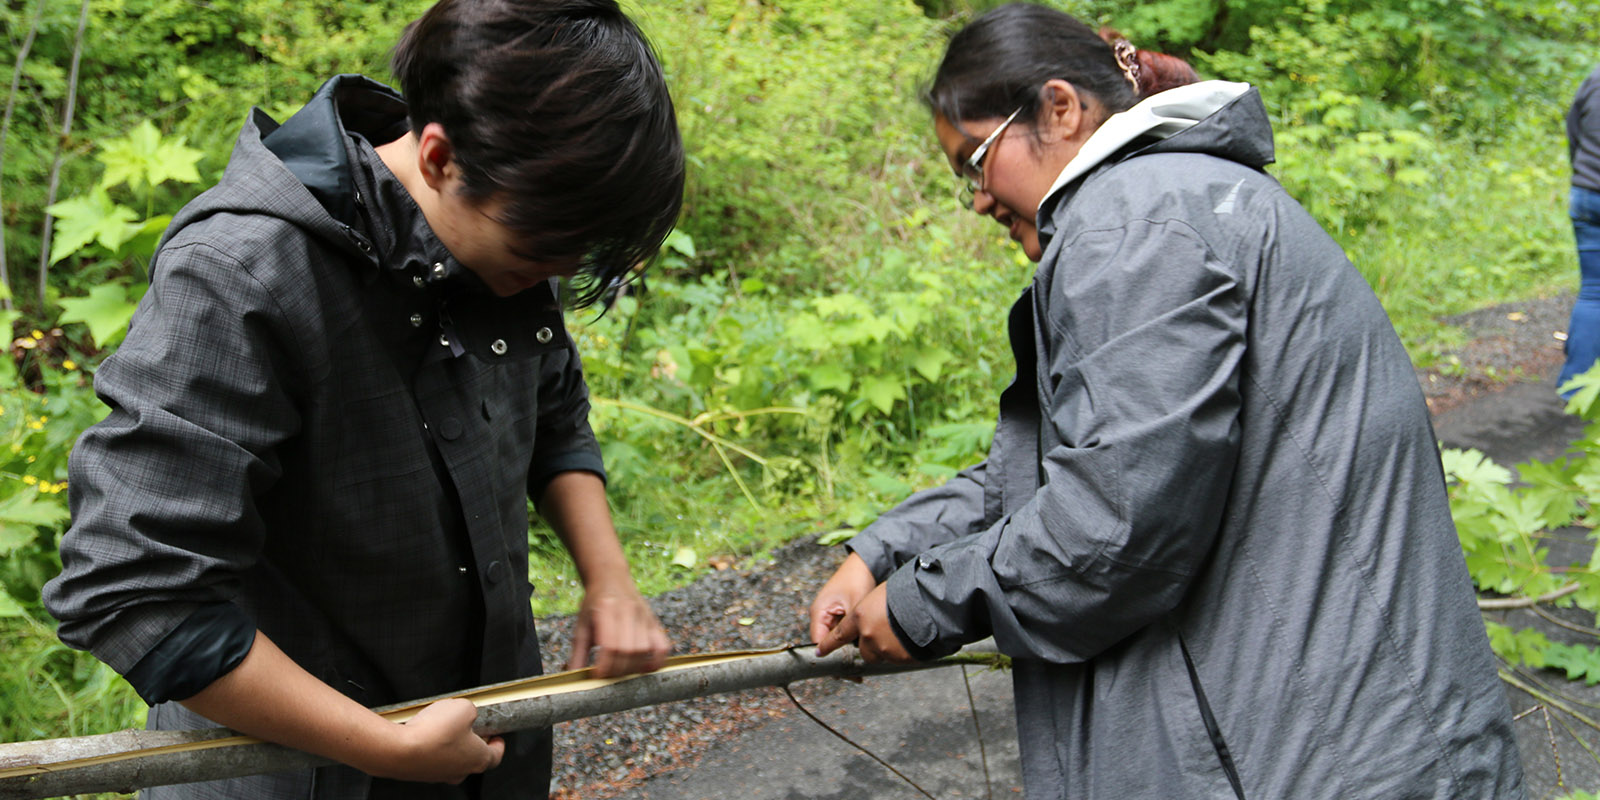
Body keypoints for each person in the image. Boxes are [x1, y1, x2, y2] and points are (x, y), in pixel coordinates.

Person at [808, 4, 1526, 798]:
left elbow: (1114, 525)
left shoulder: (1135, 223)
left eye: (975, 162)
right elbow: (1076, 462)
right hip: (1366, 744)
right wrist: (883, 552)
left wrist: (919, 604)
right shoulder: (1184, 199)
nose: (978, 199)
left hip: (1324, 760)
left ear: (1060, 107)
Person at [42, 1, 682, 798]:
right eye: (538, 253)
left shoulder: (504, 223)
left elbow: (554, 411)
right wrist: (380, 746)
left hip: (485, 748)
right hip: (294, 777)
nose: (555, 272)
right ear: (441, 157)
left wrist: (610, 578)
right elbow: (137, 589)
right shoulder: (242, 274)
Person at [1559, 63, 1600, 394]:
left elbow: (1573, 128)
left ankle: (1575, 387)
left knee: (1593, 293)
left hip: (1586, 193)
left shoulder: (1596, 76)